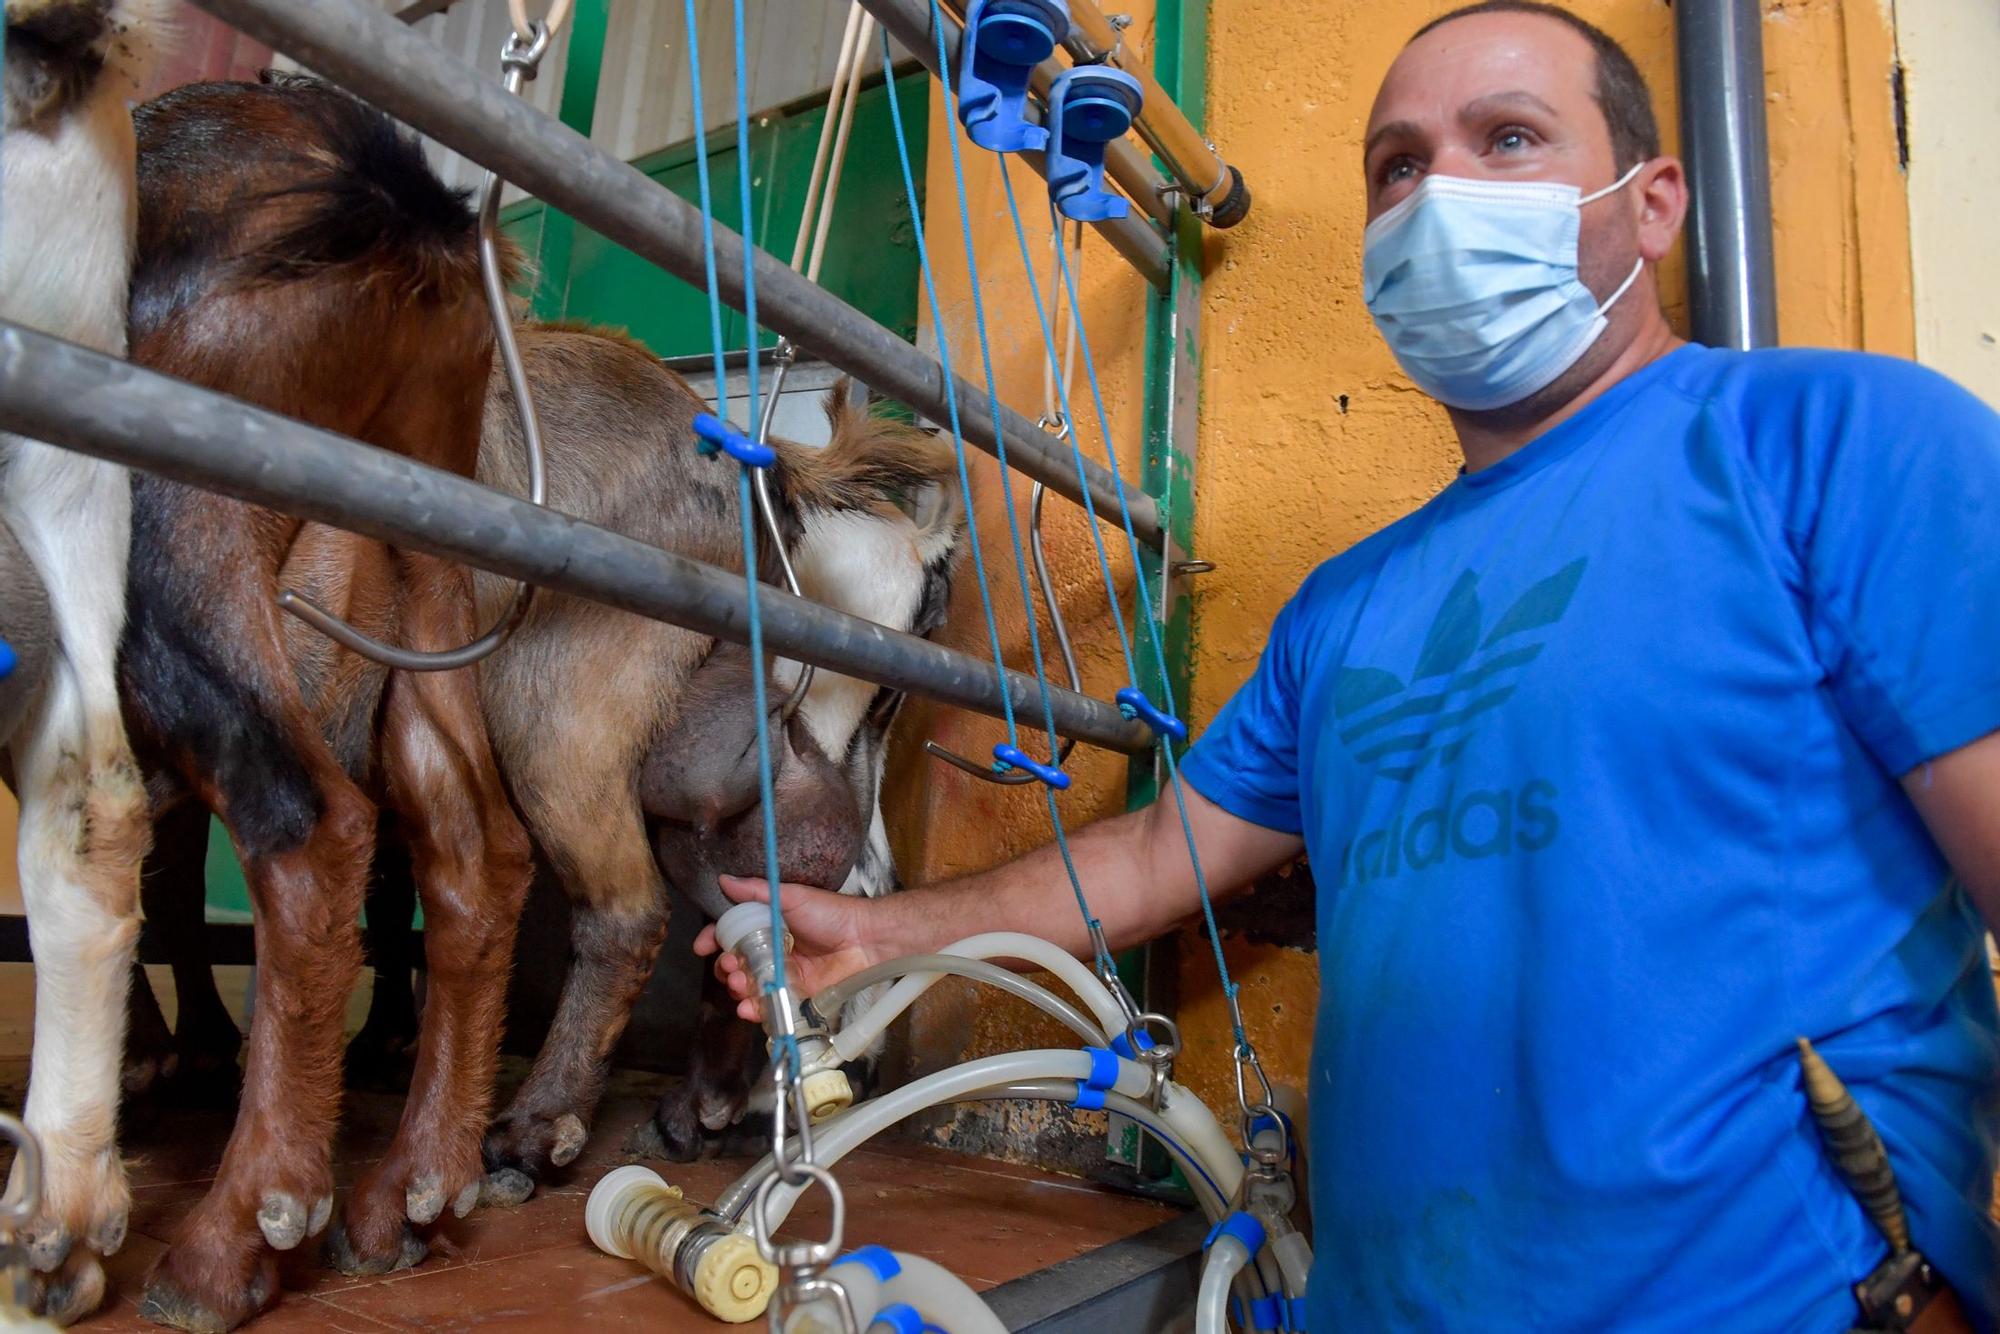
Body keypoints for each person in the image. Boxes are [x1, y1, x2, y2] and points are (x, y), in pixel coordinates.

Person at [699, 2, 2000, 1327]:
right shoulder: (1347, 609)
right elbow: (1158, 861)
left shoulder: (1837, 444)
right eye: (1399, 165)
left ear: (1653, 202)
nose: (1440, 195)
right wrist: (879, 931)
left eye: (1508, 138)